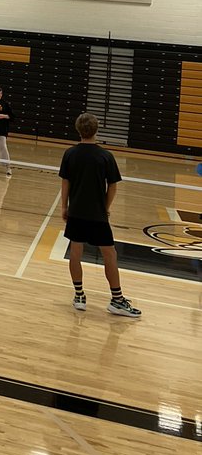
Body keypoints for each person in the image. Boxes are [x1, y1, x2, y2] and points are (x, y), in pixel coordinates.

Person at [59, 112, 141, 317]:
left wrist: (64, 207)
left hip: (76, 212)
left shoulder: (70, 154)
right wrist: (105, 207)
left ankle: (79, 295)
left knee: (75, 253)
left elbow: (65, 182)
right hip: (97, 215)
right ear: (96, 130)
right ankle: (117, 299)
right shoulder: (105, 156)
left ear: (78, 130)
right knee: (109, 254)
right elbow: (113, 186)